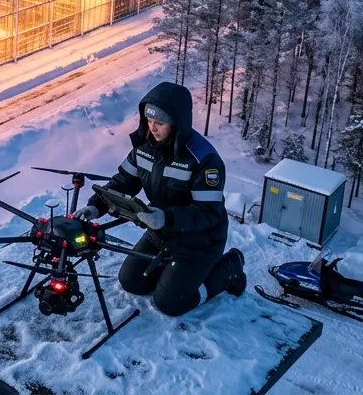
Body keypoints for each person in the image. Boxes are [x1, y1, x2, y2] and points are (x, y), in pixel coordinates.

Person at [74, 81, 246, 316]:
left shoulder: (204, 160)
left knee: (170, 304)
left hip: (199, 241)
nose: (152, 128)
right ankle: (173, 273)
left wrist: (166, 217)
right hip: (161, 233)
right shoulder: (144, 147)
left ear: (177, 123)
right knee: (131, 283)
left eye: (160, 123)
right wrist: (95, 207)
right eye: (149, 121)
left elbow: (208, 212)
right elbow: (123, 181)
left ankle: (229, 268)